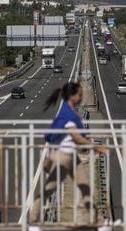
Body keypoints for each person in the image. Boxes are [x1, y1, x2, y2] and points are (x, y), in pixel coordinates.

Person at [29, 82, 109, 230]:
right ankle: (32, 221)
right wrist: (100, 148)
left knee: (85, 188)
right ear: (72, 96)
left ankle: (100, 223)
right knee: (49, 189)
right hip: (63, 157)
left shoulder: (68, 111)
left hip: (72, 157)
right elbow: (77, 138)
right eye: (79, 94)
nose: (81, 97)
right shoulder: (67, 114)